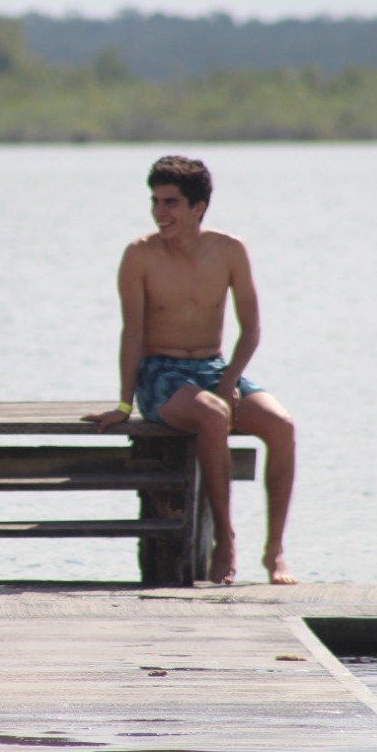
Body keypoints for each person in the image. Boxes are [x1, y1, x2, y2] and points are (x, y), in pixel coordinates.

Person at [83, 155, 297, 586]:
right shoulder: (139, 255)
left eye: (171, 203)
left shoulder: (230, 250)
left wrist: (230, 377)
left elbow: (252, 327)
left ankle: (275, 551)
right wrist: (125, 404)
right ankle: (225, 538)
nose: (160, 212)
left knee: (281, 425)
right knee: (212, 416)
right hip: (160, 374)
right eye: (155, 202)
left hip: (215, 368)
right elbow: (132, 335)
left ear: (198, 207)